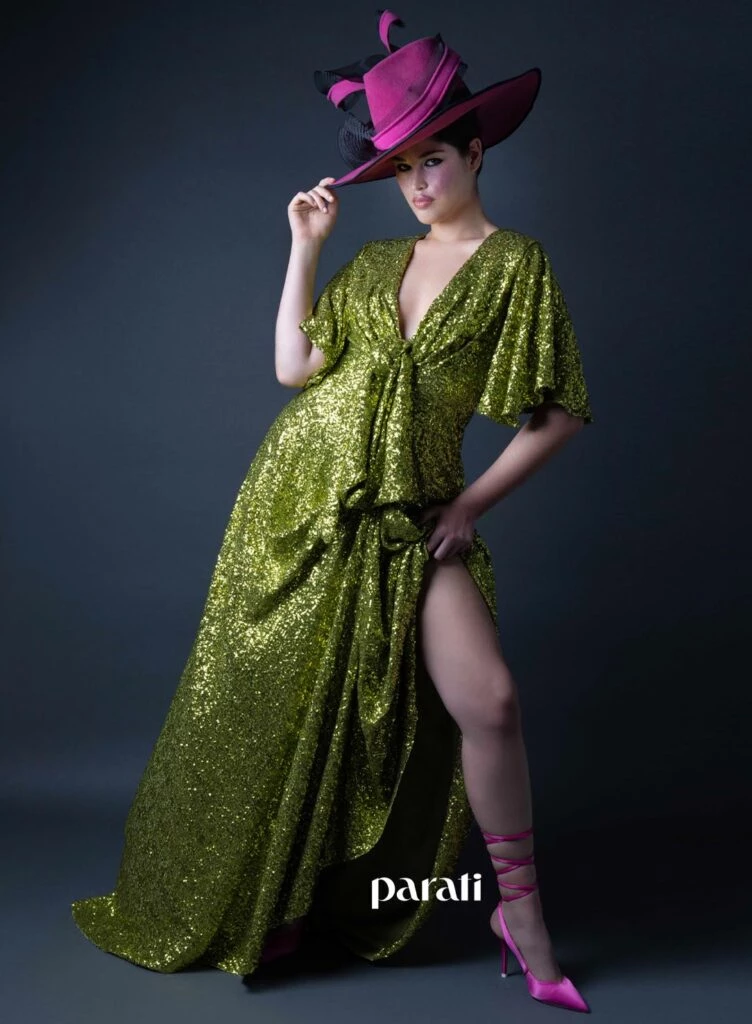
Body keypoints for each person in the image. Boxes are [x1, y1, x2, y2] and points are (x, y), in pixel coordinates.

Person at [71, 9, 593, 1014]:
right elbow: (294, 366)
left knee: (487, 701)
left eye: (433, 160)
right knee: (278, 707)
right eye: (400, 169)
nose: (418, 184)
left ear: (475, 154)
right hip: (298, 504)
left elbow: (558, 413)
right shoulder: (372, 263)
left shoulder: (514, 265)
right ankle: (273, 903)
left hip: (409, 515)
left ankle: (520, 917)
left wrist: (469, 504)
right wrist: (304, 246)